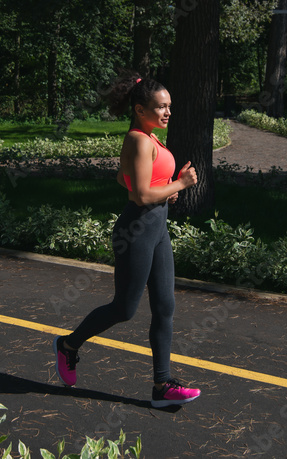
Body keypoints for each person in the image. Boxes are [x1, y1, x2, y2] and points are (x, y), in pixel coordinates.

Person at [53, 73, 202, 407]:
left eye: (169, 106)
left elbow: (124, 178)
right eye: (160, 107)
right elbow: (140, 196)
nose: (167, 112)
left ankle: (162, 386)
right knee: (124, 309)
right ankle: (67, 345)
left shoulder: (150, 138)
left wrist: (166, 189)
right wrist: (180, 184)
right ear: (140, 109)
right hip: (136, 232)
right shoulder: (139, 140)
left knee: (165, 307)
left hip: (157, 231)